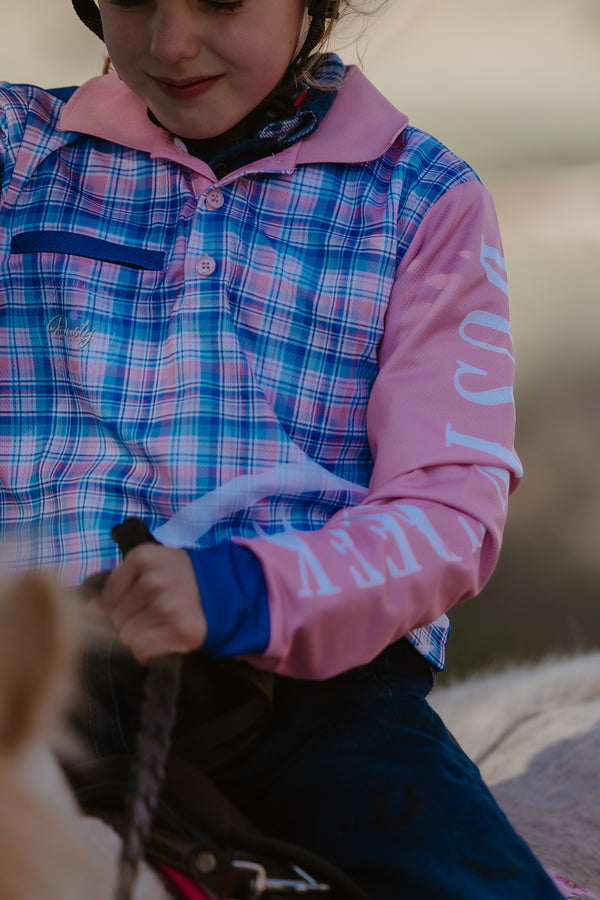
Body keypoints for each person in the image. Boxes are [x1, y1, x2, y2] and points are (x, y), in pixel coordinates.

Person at [0, 1, 564, 898]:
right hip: (25, 669)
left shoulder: (423, 202)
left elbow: (449, 510)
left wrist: (247, 588)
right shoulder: (15, 152)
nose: (171, 42)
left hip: (308, 694)